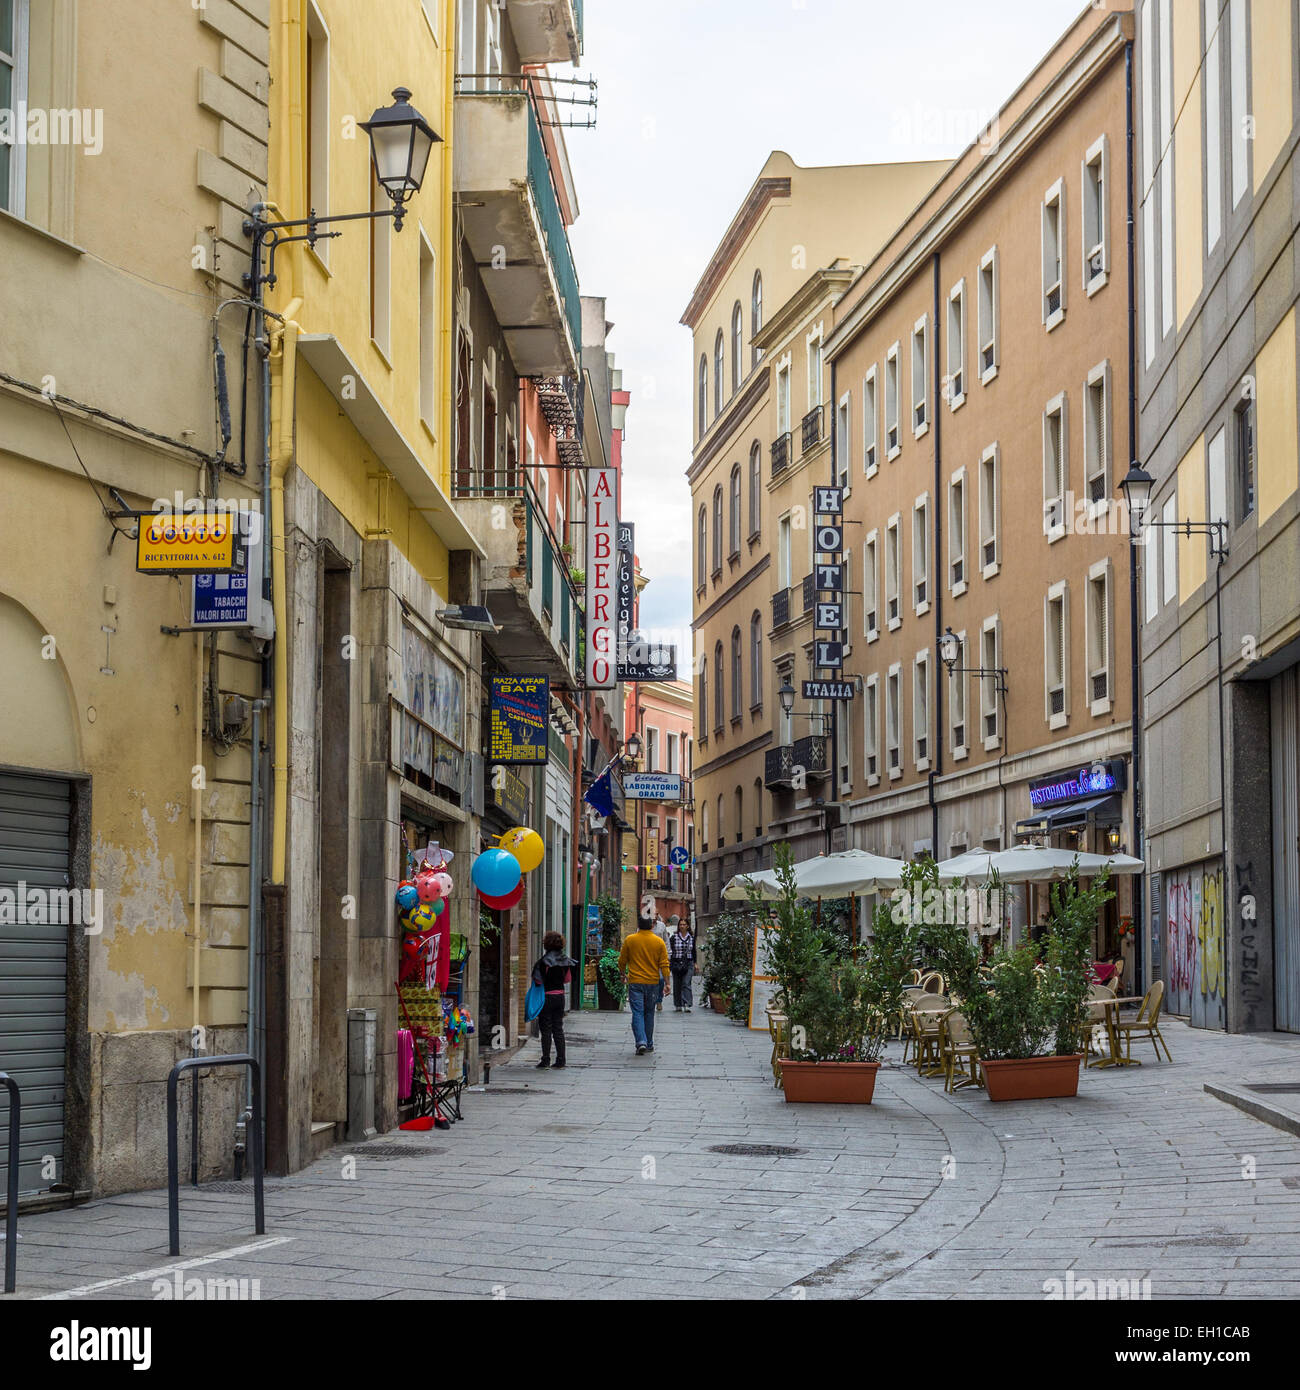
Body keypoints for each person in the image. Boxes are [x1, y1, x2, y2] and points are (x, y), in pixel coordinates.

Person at [618, 914, 670, 1055]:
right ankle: (649, 1043)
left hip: (635, 982)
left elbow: (622, 961)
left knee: (637, 1012)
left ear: (638, 925)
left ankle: (641, 1041)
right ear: (652, 925)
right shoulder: (658, 942)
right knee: (649, 1013)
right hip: (653, 982)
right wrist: (667, 983)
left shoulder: (630, 940)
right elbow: (664, 964)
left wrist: (622, 974)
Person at [531, 931, 577, 1069]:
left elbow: (537, 980)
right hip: (560, 997)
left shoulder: (543, 961)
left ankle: (545, 1060)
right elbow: (567, 979)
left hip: (547, 996)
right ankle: (561, 1060)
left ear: (546, 944)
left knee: (546, 1029)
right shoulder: (565, 960)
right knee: (558, 1028)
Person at [668, 915, 696, 1012]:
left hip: (688, 962)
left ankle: (687, 1003)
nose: (682, 926)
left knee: (686, 983)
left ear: (688, 926)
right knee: (677, 984)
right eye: (680, 924)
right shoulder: (674, 937)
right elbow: (670, 950)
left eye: (684, 924)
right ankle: (678, 1004)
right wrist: (670, 962)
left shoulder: (692, 938)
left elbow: (694, 951)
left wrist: (695, 963)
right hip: (676, 962)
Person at [652, 914, 670, 1010]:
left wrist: (668, 954)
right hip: (648, 958)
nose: (654, 916)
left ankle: (659, 1000)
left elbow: (666, 940)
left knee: (661, 979)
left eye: (656, 914)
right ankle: (651, 1000)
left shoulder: (661, 925)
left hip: (660, 957)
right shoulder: (644, 925)